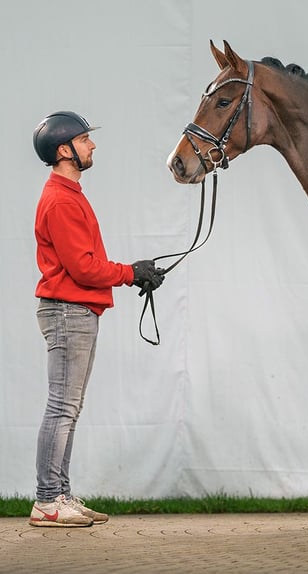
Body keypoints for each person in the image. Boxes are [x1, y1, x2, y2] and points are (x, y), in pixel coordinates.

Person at [29, 111, 164, 527]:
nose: (92, 146)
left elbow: (86, 266)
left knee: (69, 407)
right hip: (69, 310)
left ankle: (60, 494)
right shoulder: (61, 200)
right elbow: (84, 268)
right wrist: (131, 273)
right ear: (64, 150)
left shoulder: (70, 194)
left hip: (76, 309)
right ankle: (48, 500)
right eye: (85, 140)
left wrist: (131, 273)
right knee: (62, 407)